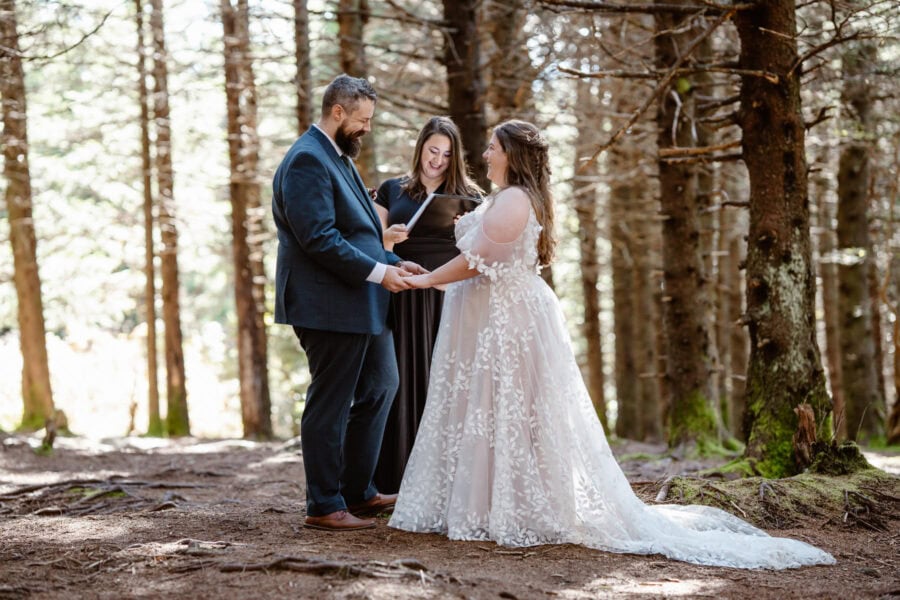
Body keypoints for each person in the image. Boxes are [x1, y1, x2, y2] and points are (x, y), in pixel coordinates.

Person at [387, 120, 835, 569]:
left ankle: (512, 504)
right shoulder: (508, 199)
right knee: (489, 407)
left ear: (513, 155)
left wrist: (426, 278)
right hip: (491, 313)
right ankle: (485, 502)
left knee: (508, 407)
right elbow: (486, 257)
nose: (485, 155)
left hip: (507, 319)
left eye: (492, 148)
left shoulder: (515, 199)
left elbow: (477, 261)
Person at [272, 74, 426, 532]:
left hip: (362, 299)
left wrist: (395, 260)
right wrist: (381, 273)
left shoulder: (337, 157)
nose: (367, 128)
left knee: (381, 385)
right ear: (336, 113)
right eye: (362, 120)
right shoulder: (306, 160)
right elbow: (319, 238)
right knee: (330, 403)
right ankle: (323, 503)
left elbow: (360, 232)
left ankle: (358, 491)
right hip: (327, 305)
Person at [371, 116, 484, 494]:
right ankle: (396, 478)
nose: (437, 160)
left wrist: (468, 226)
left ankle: (450, 479)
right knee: (400, 379)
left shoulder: (472, 196)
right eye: (432, 150)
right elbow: (373, 245)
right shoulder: (391, 190)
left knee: (449, 379)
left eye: (446, 154)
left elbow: (482, 252)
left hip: (450, 294)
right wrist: (388, 239)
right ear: (420, 147)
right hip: (403, 290)